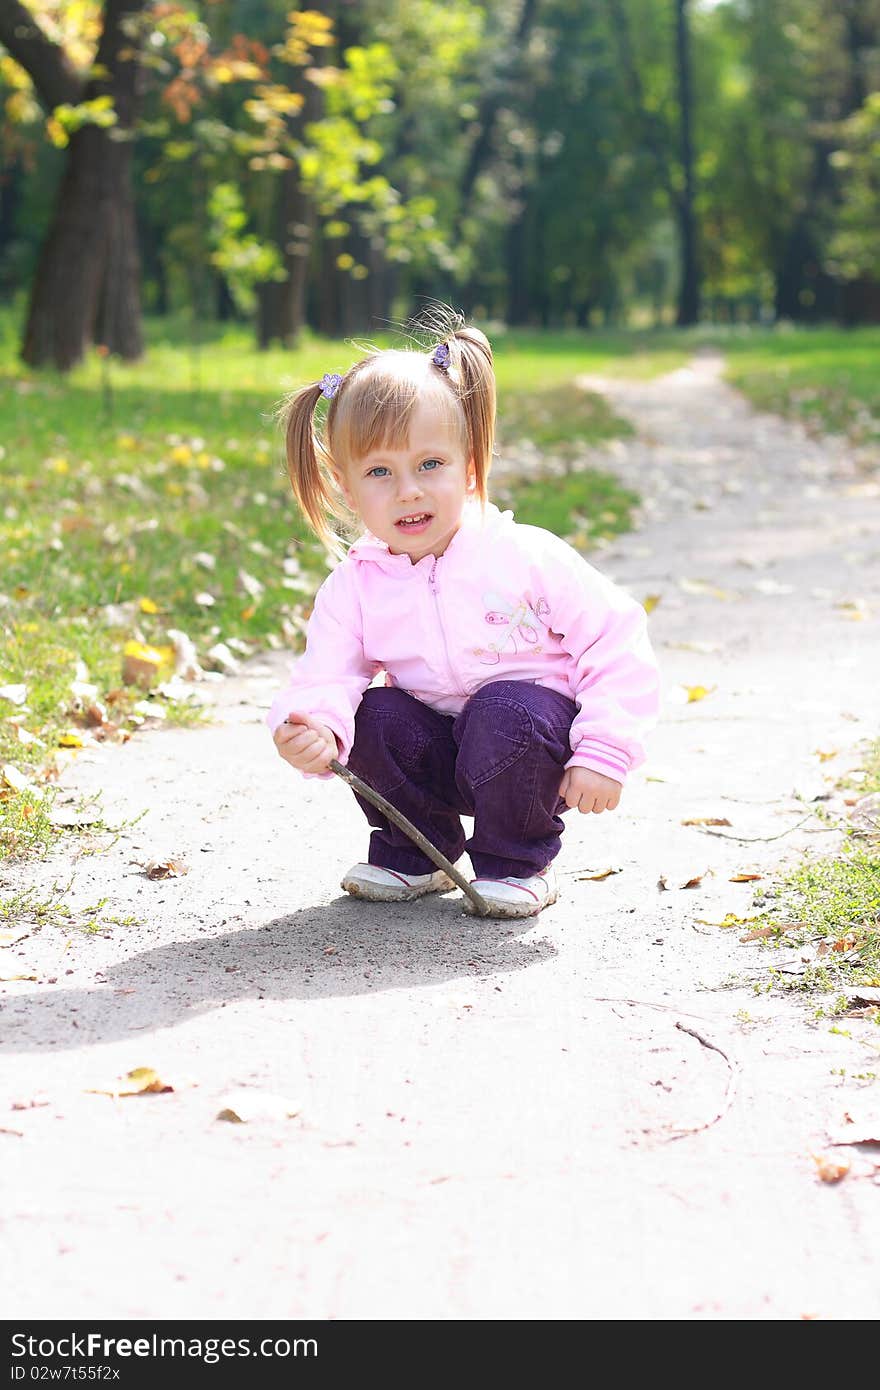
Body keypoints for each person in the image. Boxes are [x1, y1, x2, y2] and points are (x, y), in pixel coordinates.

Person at [268, 314, 660, 919]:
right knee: (371, 713)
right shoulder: (355, 587)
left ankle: (516, 862)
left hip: (527, 752)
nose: (408, 491)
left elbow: (616, 640)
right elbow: (326, 676)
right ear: (346, 488)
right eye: (379, 472)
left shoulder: (525, 556)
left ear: (470, 466)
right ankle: (417, 850)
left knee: (506, 708)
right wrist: (312, 726)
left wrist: (604, 749)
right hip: (439, 752)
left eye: (430, 465)